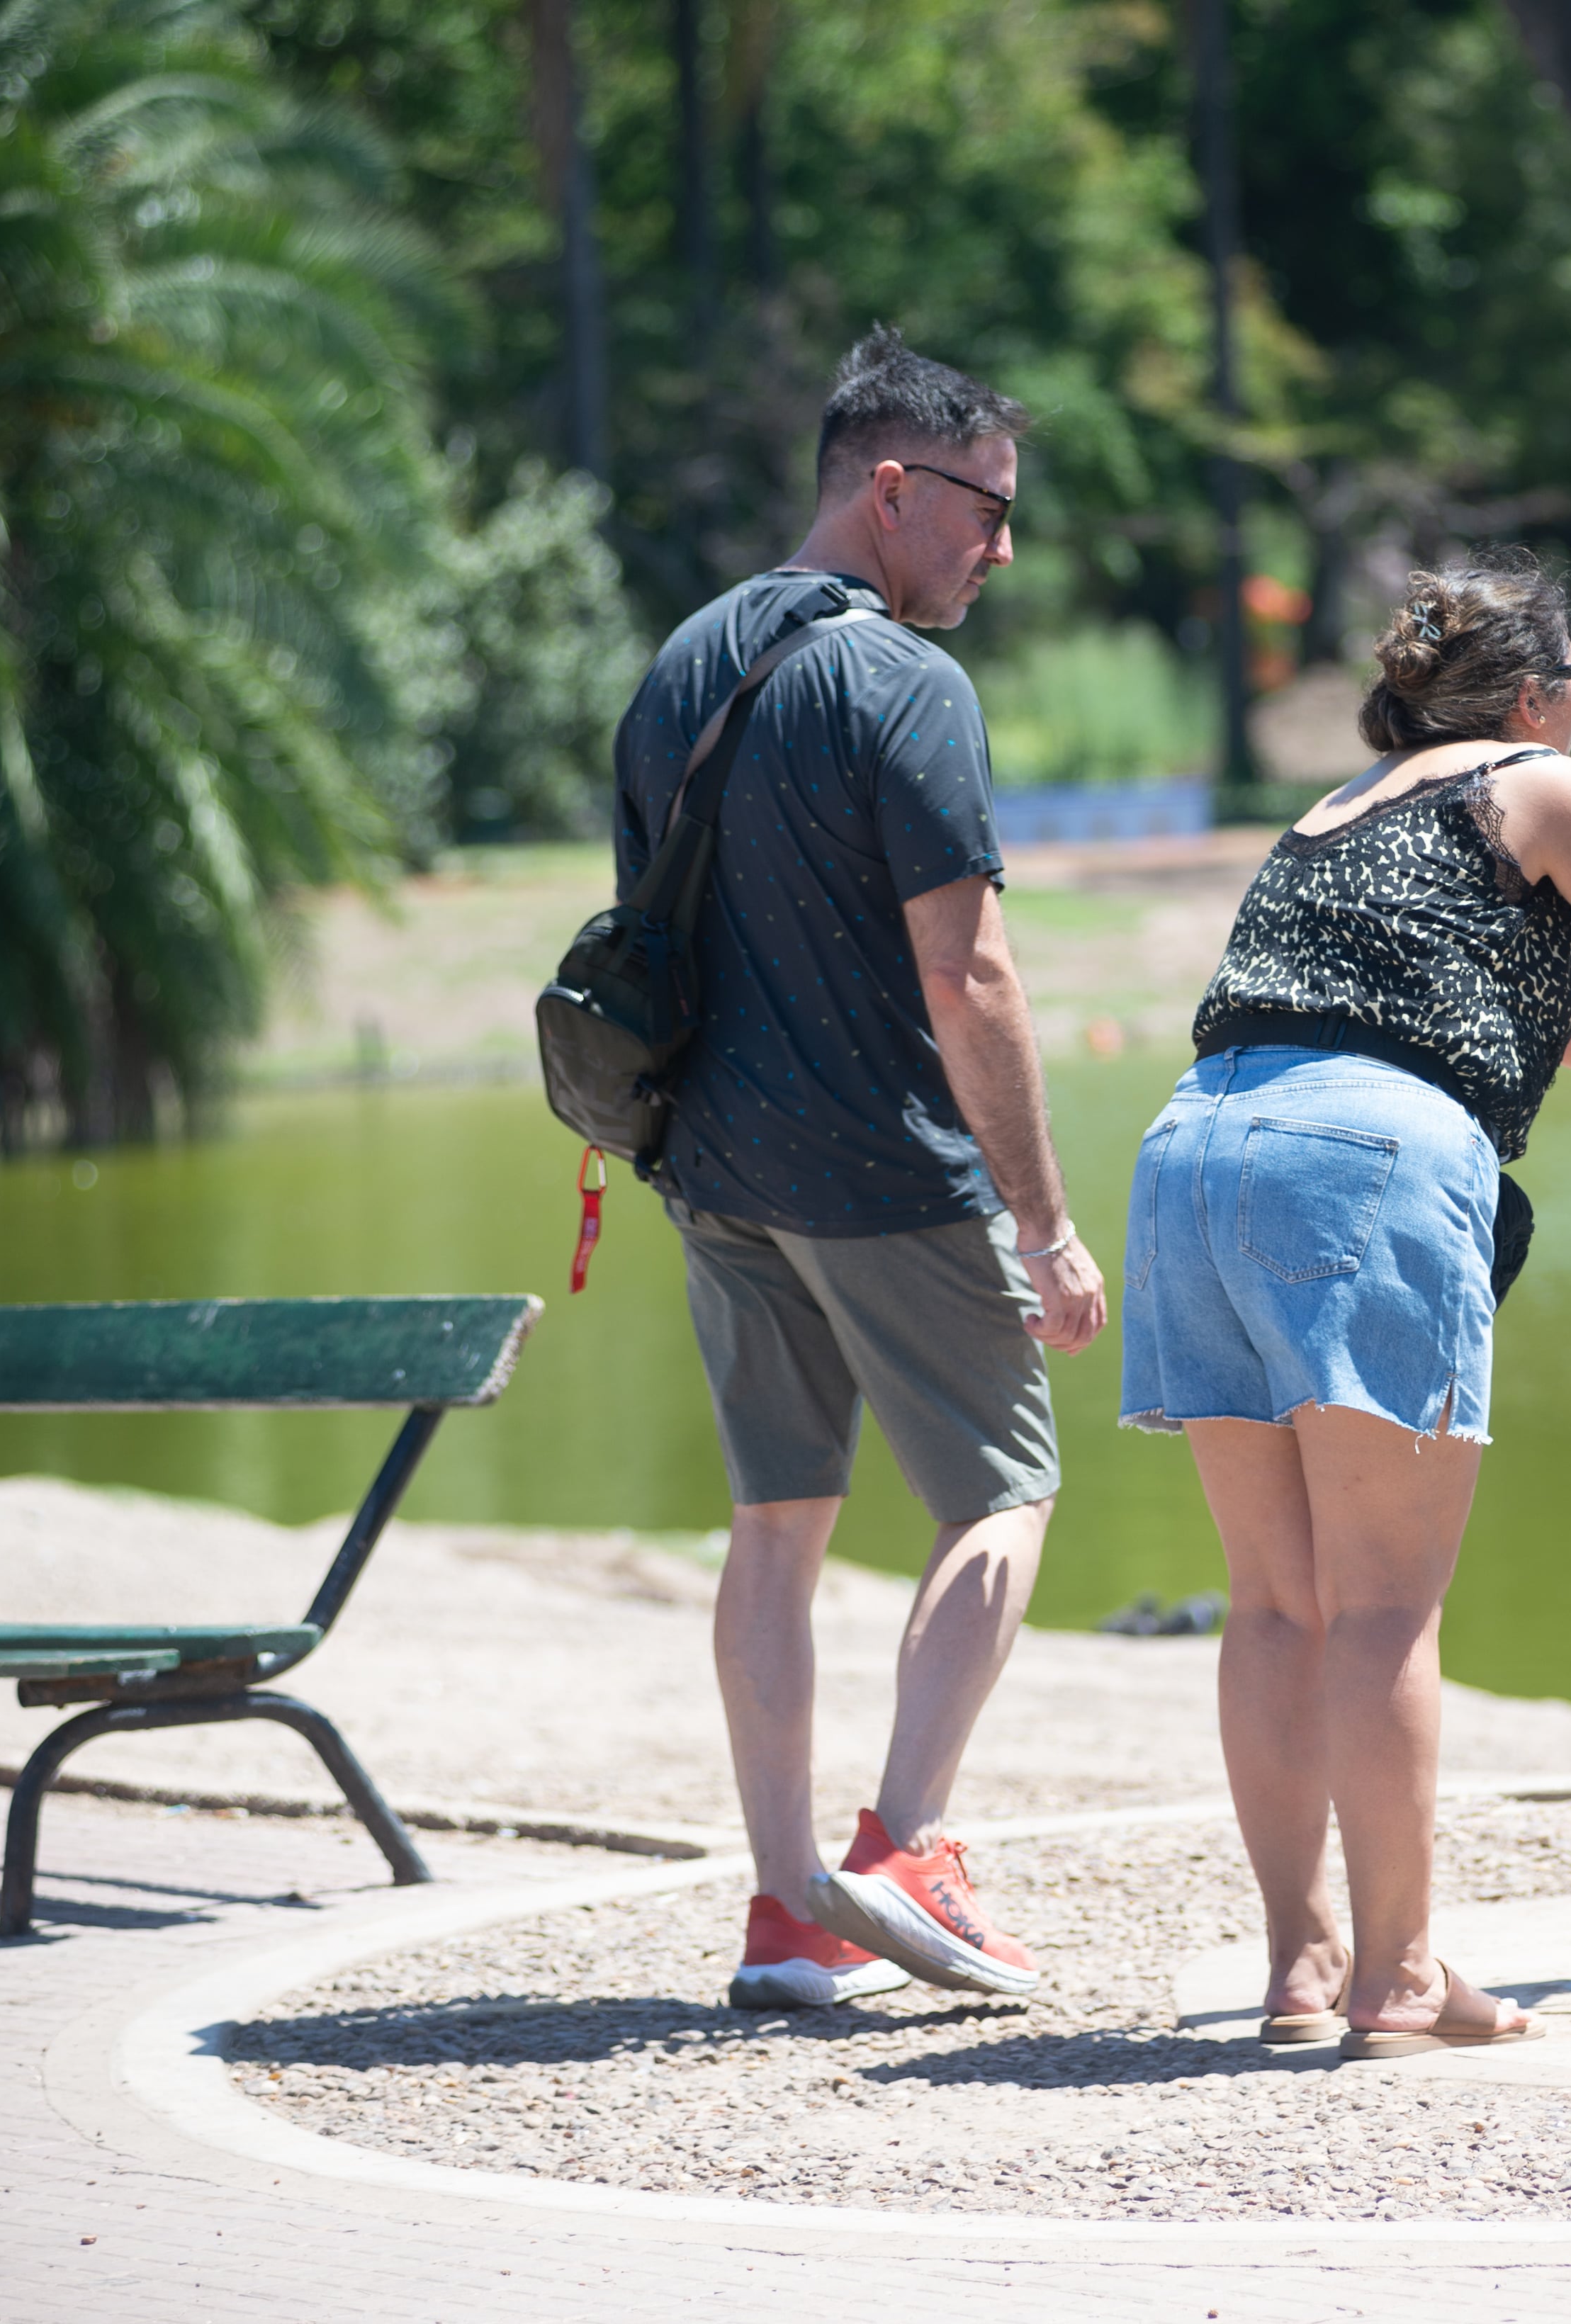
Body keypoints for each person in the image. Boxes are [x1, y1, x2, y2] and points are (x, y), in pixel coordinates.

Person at [1119, 550, 1571, 2057]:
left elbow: (1559, 1011)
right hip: (1361, 1157)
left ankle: (1303, 1965)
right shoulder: (1538, 784)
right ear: (1533, 696)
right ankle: (1401, 1976)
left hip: (1191, 1149)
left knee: (1273, 1600)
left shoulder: (1343, 811)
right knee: (1384, 1603)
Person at [611, 325, 1106, 2011]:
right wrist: (1044, 1220)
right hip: (881, 1169)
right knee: (1003, 1489)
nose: (1001, 546)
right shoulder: (904, 682)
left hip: (713, 1166)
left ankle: (786, 1912)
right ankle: (905, 1842)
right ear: (891, 489)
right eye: (986, 508)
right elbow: (969, 977)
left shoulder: (684, 658)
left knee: (775, 1522)